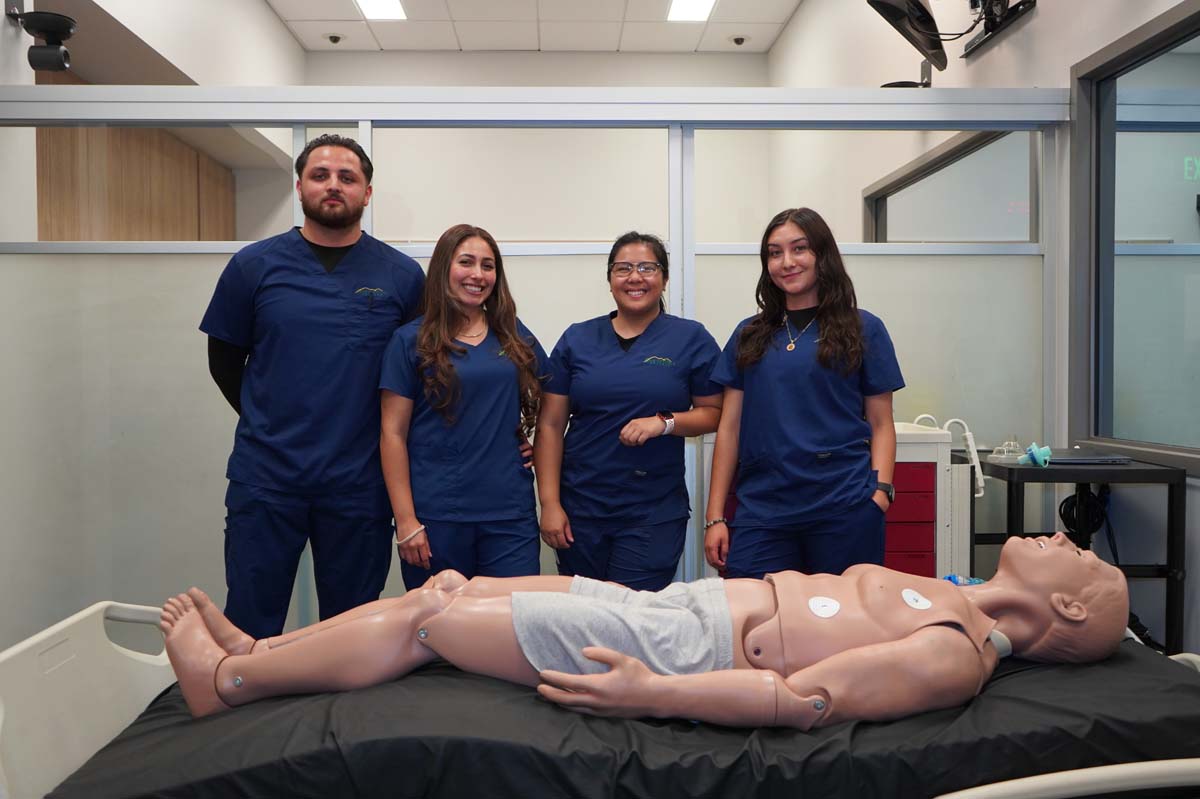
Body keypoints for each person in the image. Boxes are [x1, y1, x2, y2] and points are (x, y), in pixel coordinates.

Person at [161, 532, 1129, 728]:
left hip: (682, 648)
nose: (1056, 532)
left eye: (1076, 553)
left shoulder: (954, 656)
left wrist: (649, 692)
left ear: (1073, 609)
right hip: (675, 601)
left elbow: (801, 701)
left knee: (430, 616)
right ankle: (260, 650)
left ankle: (233, 685)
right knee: (453, 580)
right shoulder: (952, 594)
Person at [200, 134, 425, 640]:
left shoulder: (402, 277)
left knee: (350, 630)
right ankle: (250, 716)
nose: (333, 186)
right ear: (298, 185)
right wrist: (272, 418)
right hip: (268, 478)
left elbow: (420, 378)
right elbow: (224, 361)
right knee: (251, 625)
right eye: (320, 175)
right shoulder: (253, 266)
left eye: (347, 178)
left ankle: (338, 722)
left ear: (367, 193)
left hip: (359, 482)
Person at [704, 208, 905, 579]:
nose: (787, 262)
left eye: (799, 249)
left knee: (842, 623)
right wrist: (715, 515)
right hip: (763, 508)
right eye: (774, 253)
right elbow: (729, 428)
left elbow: (881, 422)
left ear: (822, 255)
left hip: (843, 504)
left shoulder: (863, 328)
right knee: (753, 618)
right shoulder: (750, 334)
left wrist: (880, 493)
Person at [535, 232, 722, 590]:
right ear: (610, 281)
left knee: (634, 617)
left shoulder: (690, 338)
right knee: (582, 616)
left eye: (647, 267)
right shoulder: (578, 339)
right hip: (581, 508)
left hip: (652, 511)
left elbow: (714, 413)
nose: (635, 277)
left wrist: (664, 423)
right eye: (623, 269)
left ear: (664, 278)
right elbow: (550, 424)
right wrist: (550, 503)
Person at [379, 224, 547, 590]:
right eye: (466, 262)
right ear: (444, 269)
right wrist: (406, 521)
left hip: (509, 514)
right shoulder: (410, 340)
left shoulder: (512, 334)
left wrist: (541, 445)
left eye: (488, 266)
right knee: (440, 634)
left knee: (509, 626)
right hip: (437, 515)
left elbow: (557, 396)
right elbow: (392, 434)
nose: (478, 274)